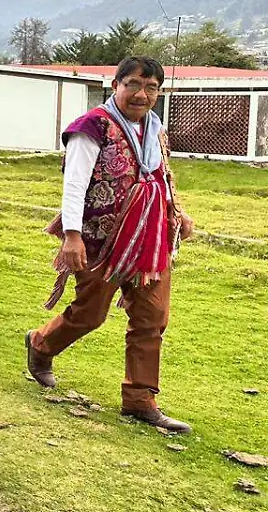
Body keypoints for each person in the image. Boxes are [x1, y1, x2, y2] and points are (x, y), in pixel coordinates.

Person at [27, 56, 194, 433]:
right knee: (91, 314)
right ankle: (40, 344)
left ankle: (140, 399)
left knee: (152, 318)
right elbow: (74, 182)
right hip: (102, 240)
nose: (142, 94)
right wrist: (72, 235)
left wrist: (178, 212)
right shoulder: (92, 127)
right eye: (134, 84)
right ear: (115, 85)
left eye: (151, 88)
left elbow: (161, 176)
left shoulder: (155, 129)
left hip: (150, 240)